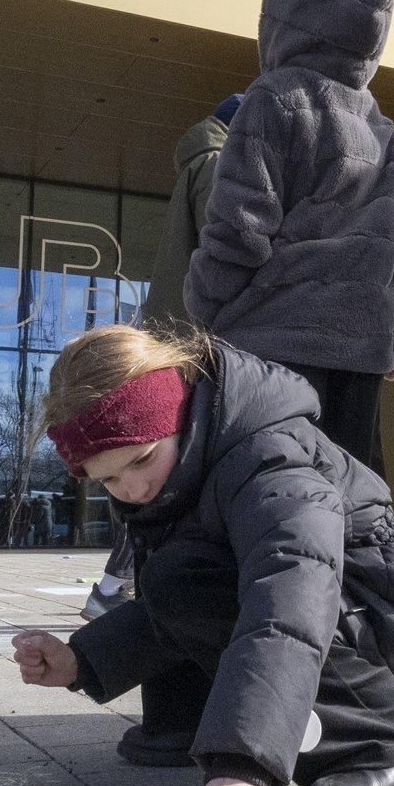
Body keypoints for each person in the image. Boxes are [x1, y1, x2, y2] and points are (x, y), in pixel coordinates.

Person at [11, 325, 394, 786]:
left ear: (178, 417)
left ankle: (382, 733)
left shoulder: (265, 455)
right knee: (176, 573)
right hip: (313, 606)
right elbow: (177, 592)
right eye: (109, 480)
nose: (133, 489)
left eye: (142, 459)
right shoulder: (184, 457)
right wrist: (85, 660)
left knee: (187, 576)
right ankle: (194, 721)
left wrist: (242, 764)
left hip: (374, 608)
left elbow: (289, 593)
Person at [186, 0, 394, 475]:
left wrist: (205, 311)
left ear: (282, 20)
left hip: (276, 336)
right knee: (355, 491)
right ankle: (368, 563)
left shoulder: (273, 98)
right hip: (360, 343)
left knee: (277, 485)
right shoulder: (378, 122)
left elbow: (240, 224)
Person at [83, 94, 244, 624]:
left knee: (153, 474)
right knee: (167, 475)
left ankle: (116, 586)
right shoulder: (220, 165)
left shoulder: (194, 164)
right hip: (199, 346)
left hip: (172, 341)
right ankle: (127, 588)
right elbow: (229, 257)